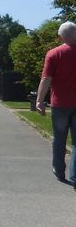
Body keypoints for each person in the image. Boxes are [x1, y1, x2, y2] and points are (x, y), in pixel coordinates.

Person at [35, 21, 76, 187]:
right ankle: (75, 177)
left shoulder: (53, 54)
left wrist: (39, 100)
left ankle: (59, 171)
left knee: (59, 139)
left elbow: (46, 79)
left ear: (60, 37)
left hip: (60, 104)